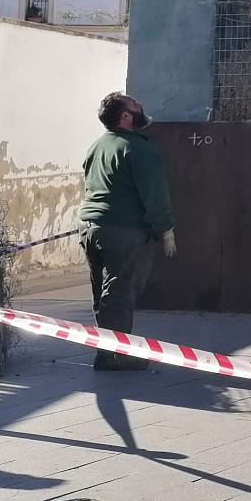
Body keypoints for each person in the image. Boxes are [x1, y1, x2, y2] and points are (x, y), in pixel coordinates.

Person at [78, 92, 176, 370]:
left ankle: (107, 349)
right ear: (125, 116)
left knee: (104, 293)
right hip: (124, 231)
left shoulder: (97, 146)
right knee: (120, 292)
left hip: (91, 229)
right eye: (135, 105)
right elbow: (156, 196)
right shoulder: (139, 149)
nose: (141, 106)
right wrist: (165, 230)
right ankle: (115, 354)